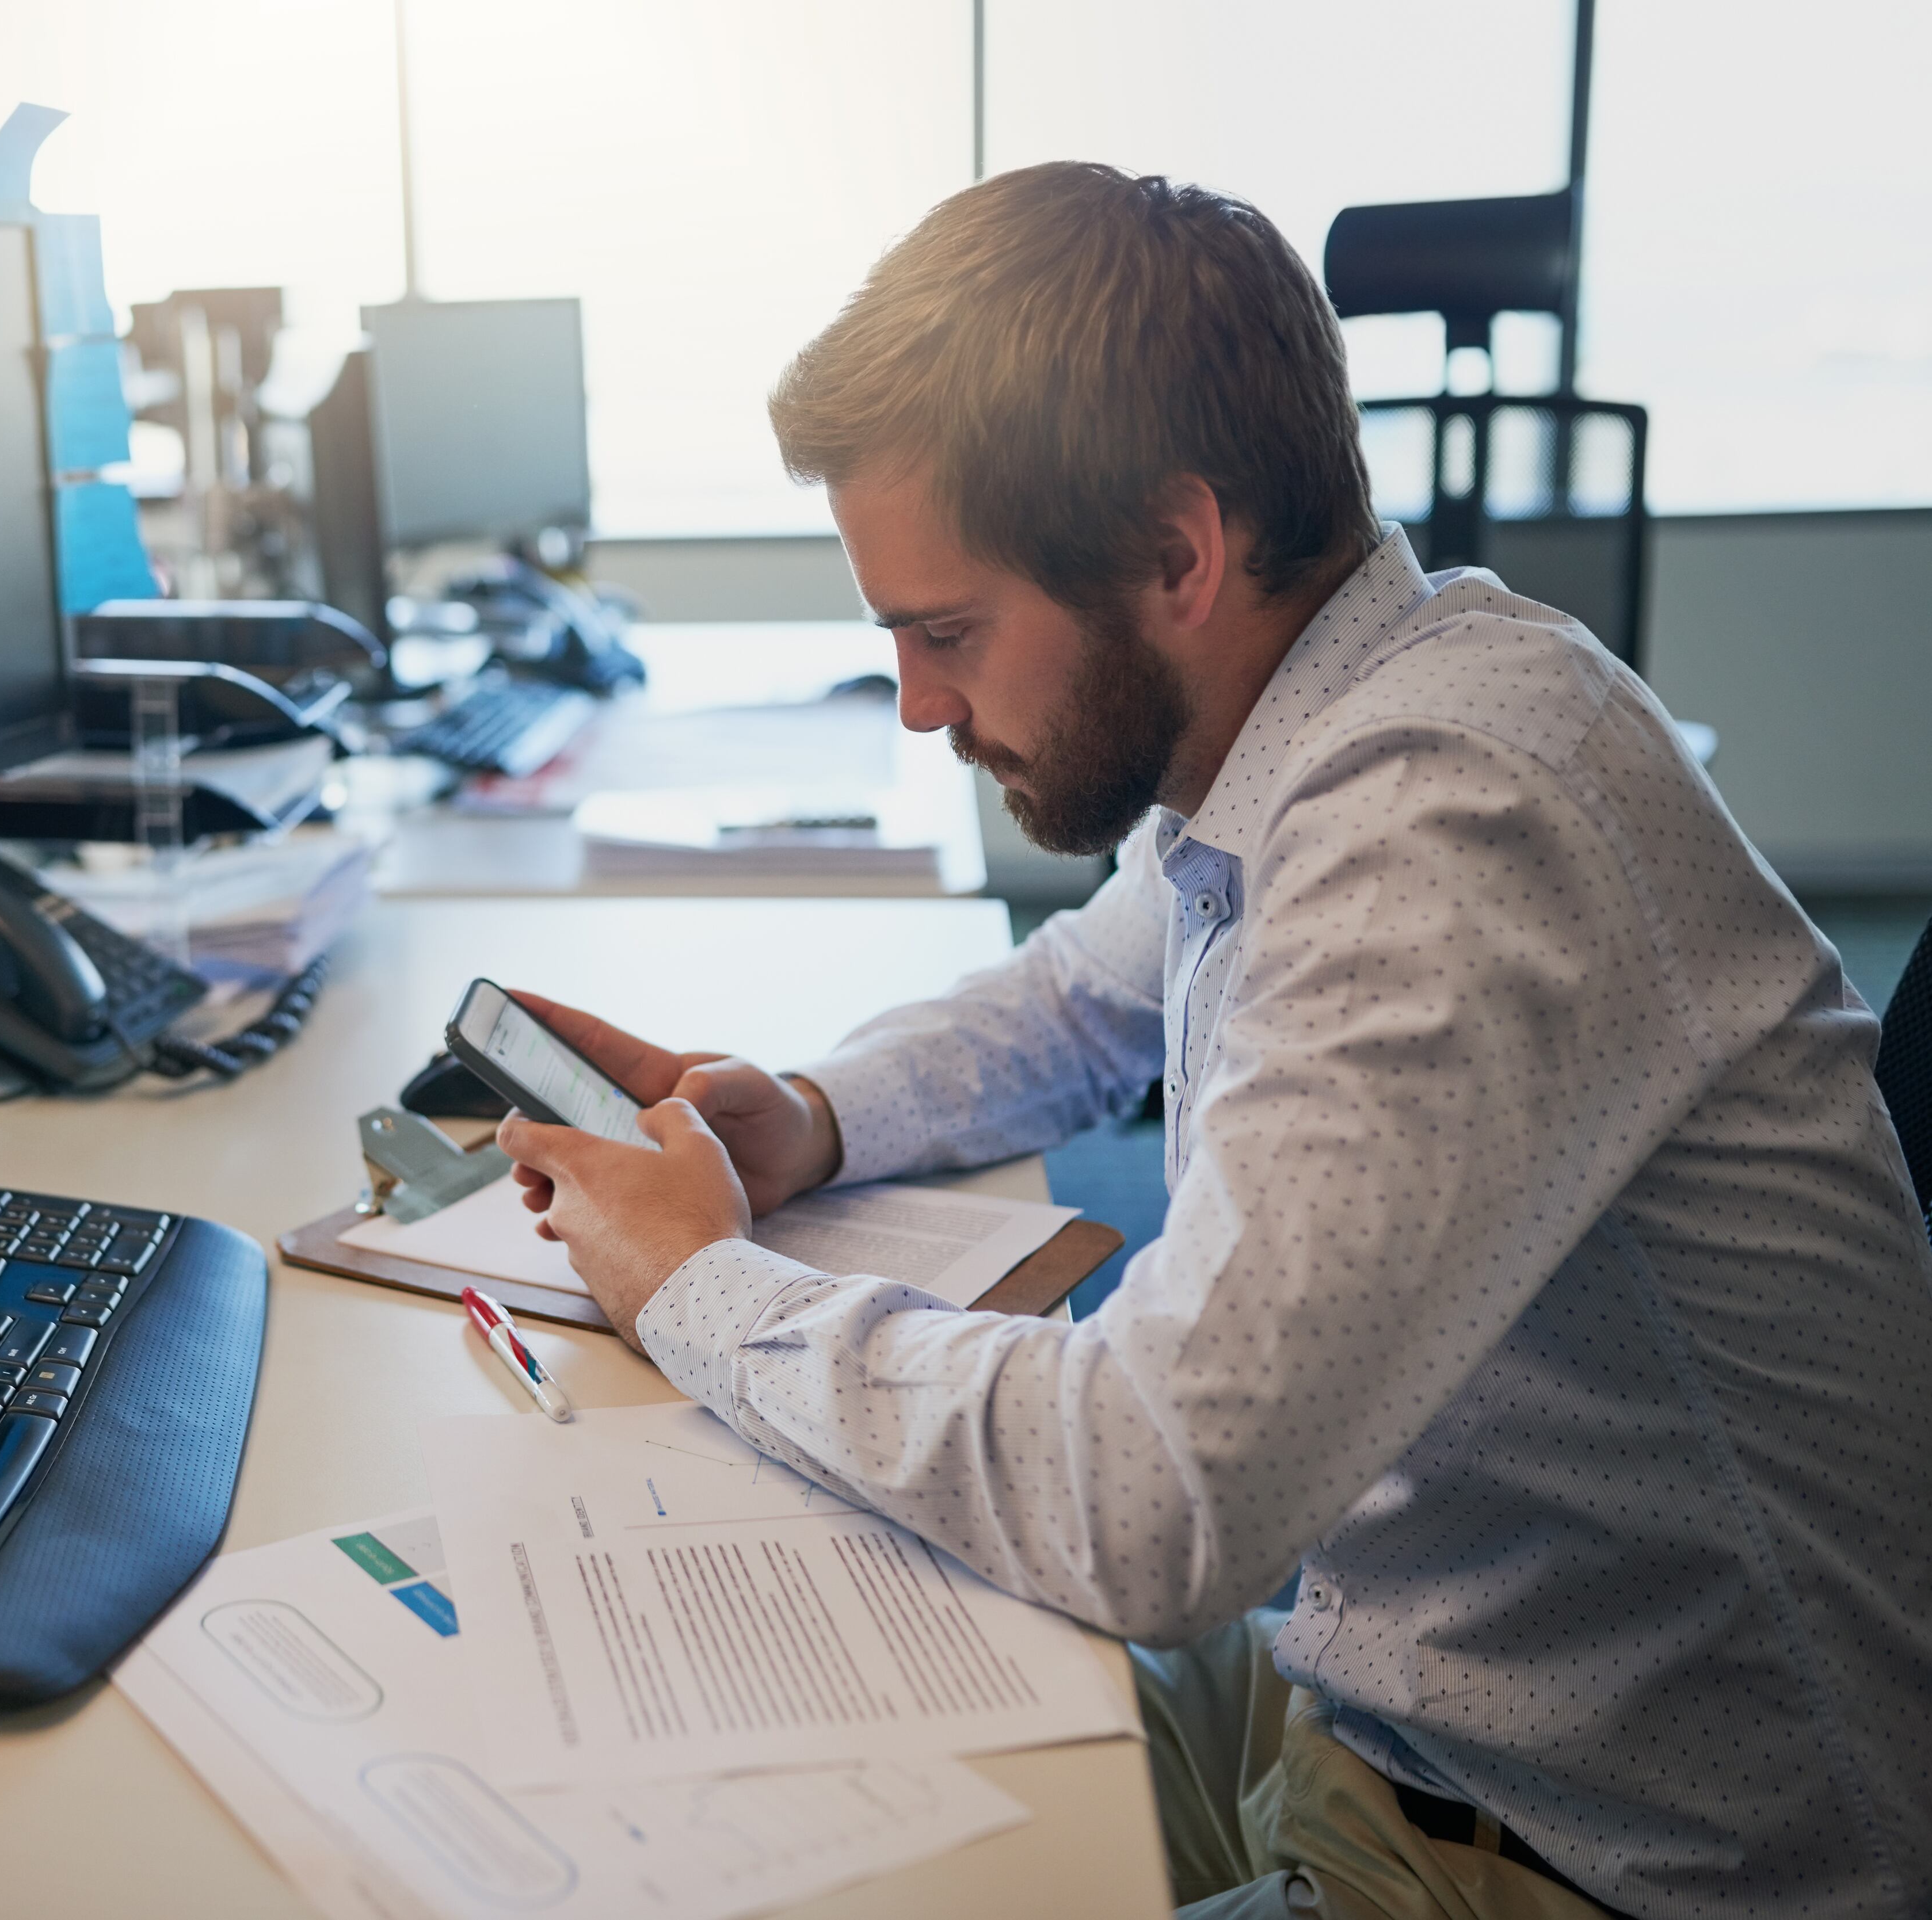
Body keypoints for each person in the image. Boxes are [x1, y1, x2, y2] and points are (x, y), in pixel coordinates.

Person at [496, 162, 1932, 1920]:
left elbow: (1149, 1497)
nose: (923, 708)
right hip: (1395, 1696)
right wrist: (804, 1113)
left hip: (1609, 1857)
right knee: (728, 1737)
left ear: (1179, 552)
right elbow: (1081, 993)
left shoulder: (1448, 815)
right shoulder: (1319, 717)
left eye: (948, 633)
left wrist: (700, 1280)